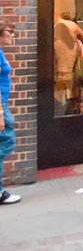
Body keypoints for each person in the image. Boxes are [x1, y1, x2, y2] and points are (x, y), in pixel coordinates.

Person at [0, 19, 21, 204]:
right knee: (5, 143)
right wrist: (0, 112)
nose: (12, 35)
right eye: (9, 31)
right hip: (1, 105)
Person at [54, 12, 83, 116]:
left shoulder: (51, 29)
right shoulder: (72, 25)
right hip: (72, 73)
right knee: (73, 98)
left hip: (59, 74)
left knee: (60, 104)